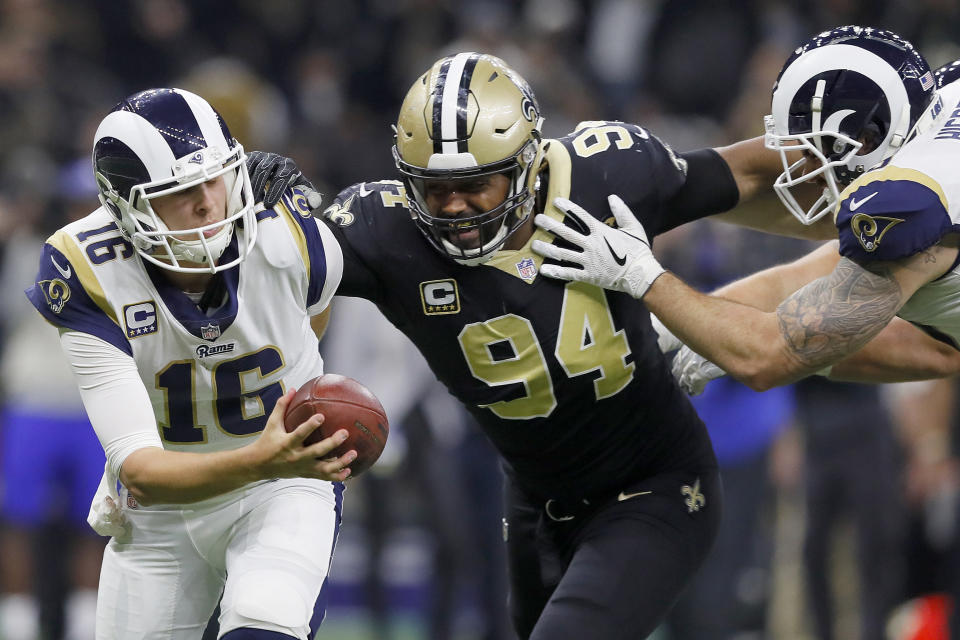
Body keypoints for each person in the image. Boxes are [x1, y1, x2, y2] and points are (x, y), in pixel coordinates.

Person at [250, 50, 958, 639]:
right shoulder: (382, 227)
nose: (457, 208)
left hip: (651, 482)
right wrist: (255, 207)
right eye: (436, 192)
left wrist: (870, 181)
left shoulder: (605, 174)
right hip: (532, 496)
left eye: (477, 185)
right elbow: (279, 270)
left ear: (527, 163)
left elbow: (749, 177)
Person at [24, 88, 355, 640]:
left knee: (264, 622)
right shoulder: (84, 268)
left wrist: (274, 461)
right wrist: (260, 457)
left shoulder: (291, 236)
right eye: (179, 192)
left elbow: (307, 323)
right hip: (163, 508)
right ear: (127, 207)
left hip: (283, 487)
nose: (208, 202)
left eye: (216, 178)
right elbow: (141, 472)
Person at [530, 26, 960, 397]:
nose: (803, 167)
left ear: (871, 139)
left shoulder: (909, 205)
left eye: (818, 149)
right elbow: (938, 347)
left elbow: (769, 357)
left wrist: (644, 278)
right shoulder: (931, 112)